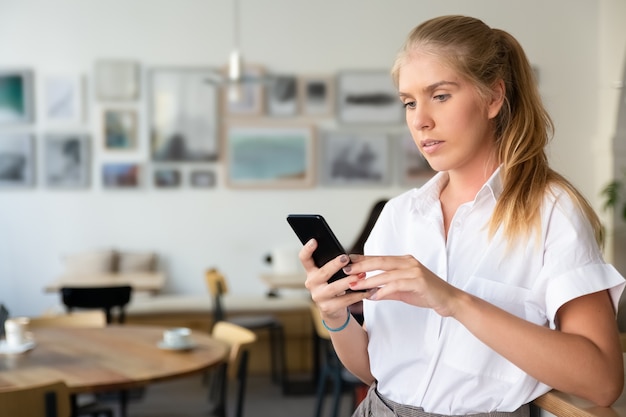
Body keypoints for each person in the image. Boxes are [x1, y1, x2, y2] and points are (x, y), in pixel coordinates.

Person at [300, 15, 626, 417]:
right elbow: (374, 371)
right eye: (409, 102)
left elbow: (603, 381)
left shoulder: (552, 213)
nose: (420, 120)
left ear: (493, 98)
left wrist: (452, 299)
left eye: (440, 95)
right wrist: (335, 317)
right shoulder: (398, 216)